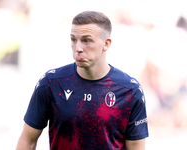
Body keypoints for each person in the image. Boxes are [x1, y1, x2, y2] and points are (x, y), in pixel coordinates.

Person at [16, 11, 149, 150]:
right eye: (73, 39)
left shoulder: (129, 90)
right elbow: (27, 140)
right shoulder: (51, 83)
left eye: (86, 40)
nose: (78, 48)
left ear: (106, 44)